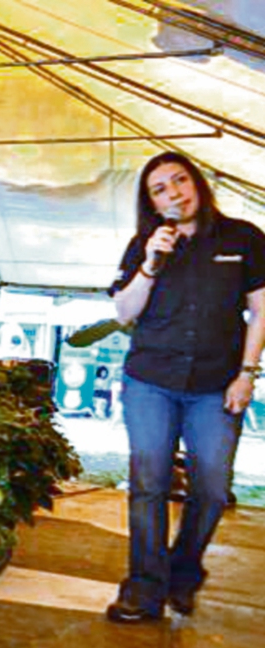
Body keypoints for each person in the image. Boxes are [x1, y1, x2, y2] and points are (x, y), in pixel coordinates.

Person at [106, 152, 265, 623]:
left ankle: (183, 571)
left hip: (216, 385)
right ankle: (143, 589)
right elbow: (124, 312)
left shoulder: (244, 239)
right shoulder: (145, 244)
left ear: (196, 183)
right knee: (148, 483)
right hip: (150, 382)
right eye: (160, 188)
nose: (173, 192)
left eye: (179, 180)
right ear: (151, 203)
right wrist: (152, 263)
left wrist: (247, 372)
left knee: (213, 488)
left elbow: (260, 311)